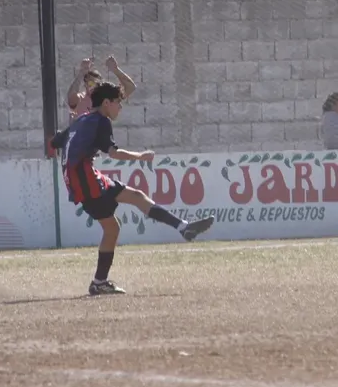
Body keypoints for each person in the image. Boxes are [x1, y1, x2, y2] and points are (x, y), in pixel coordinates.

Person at [51, 81, 215, 296]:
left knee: (128, 208)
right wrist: (141, 156)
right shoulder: (100, 121)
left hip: (83, 180)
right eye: (118, 102)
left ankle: (183, 227)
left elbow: (55, 142)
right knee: (116, 223)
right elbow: (114, 153)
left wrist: (73, 134)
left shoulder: (82, 120)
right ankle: (100, 282)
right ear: (107, 103)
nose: (121, 107)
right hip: (86, 181)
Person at [65, 55, 136, 123]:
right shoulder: (80, 99)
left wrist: (115, 69)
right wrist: (81, 73)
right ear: (85, 84)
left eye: (96, 83)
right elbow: (71, 97)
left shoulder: (105, 97)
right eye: (90, 83)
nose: (92, 86)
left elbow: (131, 87)